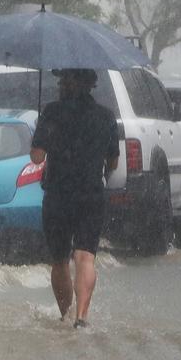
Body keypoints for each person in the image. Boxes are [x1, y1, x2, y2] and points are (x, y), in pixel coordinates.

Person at [30, 68, 118, 329]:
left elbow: (37, 157)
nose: (59, 83)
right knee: (85, 256)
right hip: (91, 194)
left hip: (58, 195)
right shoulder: (106, 116)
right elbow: (113, 161)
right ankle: (81, 317)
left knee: (59, 260)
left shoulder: (52, 112)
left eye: (63, 79)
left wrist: (40, 135)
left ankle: (66, 314)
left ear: (73, 83)